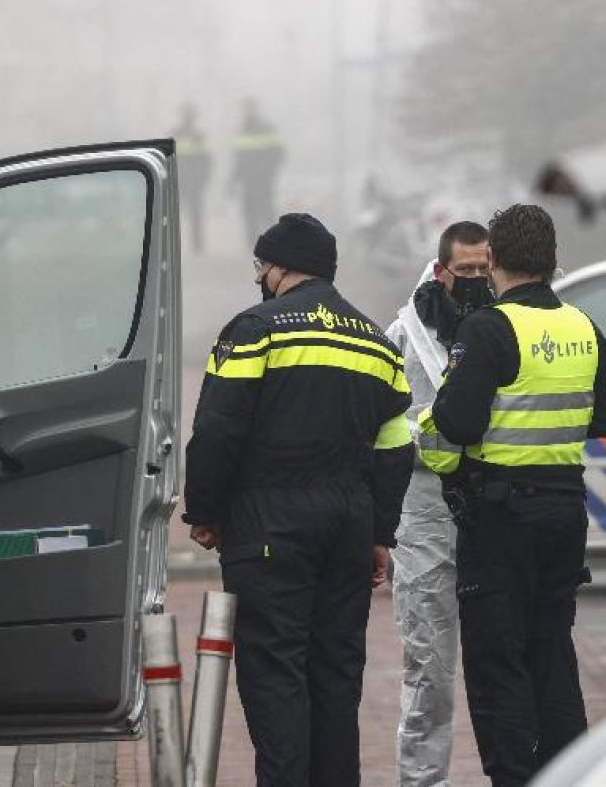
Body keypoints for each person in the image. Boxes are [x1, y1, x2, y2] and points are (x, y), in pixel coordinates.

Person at [184, 213, 414, 786]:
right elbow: (396, 447)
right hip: (348, 528)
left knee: (275, 675)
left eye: (261, 265)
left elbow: (217, 428)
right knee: (337, 677)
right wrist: (379, 532)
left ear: (282, 268)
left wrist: (204, 511)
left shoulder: (254, 331)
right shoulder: (377, 344)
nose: (257, 276)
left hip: (269, 526)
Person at [418, 204, 606, 785]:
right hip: (565, 511)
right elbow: (599, 420)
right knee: (552, 654)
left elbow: (458, 423)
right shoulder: (585, 327)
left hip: (500, 519)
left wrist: (433, 415)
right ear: (552, 259)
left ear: (494, 259)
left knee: (497, 662)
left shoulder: (488, 328)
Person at [385, 221, 491, 787]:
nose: (475, 278)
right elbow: (382, 425)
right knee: (428, 666)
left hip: (494, 511)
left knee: (502, 662)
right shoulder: (404, 337)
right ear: (442, 270)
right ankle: (422, 781)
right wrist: (444, 433)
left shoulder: (506, 326)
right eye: (465, 269)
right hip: (425, 514)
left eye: (483, 269)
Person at [228, 98, 285, 245]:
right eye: (246, 109)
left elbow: (278, 153)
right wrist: (233, 179)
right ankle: (252, 243)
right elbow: (239, 159)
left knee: (266, 210)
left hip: (263, 178)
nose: (248, 112)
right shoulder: (242, 130)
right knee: (249, 211)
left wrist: (269, 171)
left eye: (250, 109)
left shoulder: (267, 128)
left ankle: (274, 240)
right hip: (248, 179)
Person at [173, 102, 213, 254]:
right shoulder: (175, 135)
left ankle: (196, 244)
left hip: (193, 181)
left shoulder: (199, 136)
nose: (187, 118)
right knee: (176, 214)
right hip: (179, 181)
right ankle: (177, 244)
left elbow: (207, 159)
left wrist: (204, 178)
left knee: (195, 214)